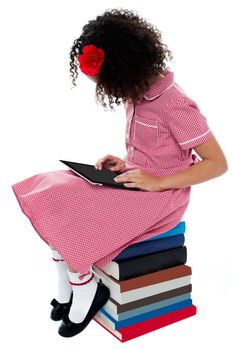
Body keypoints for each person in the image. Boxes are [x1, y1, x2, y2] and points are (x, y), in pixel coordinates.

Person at [11, 8, 228, 338]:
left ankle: (85, 287)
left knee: (76, 209)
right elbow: (151, 152)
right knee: (54, 187)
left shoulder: (174, 104)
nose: (109, 90)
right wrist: (124, 163)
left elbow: (218, 163)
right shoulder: (137, 93)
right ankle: (69, 282)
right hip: (136, 181)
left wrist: (157, 182)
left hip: (163, 197)